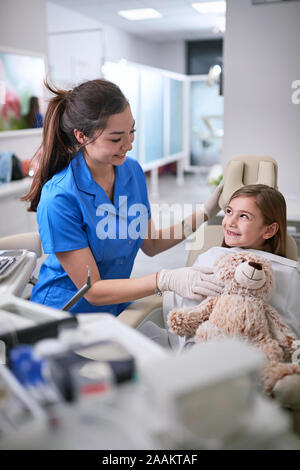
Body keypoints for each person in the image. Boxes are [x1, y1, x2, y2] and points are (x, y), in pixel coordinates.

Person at [23, 79, 224, 316]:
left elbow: (151, 244)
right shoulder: (59, 197)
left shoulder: (132, 172)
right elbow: (93, 290)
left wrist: (206, 213)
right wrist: (163, 280)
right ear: (81, 136)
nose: (128, 145)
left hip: (113, 309)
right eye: (116, 138)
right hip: (64, 315)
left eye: (132, 132)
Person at [171, 184, 300, 341]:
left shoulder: (290, 274)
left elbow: (290, 336)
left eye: (244, 216)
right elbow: (189, 319)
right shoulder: (209, 259)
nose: (230, 222)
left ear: (269, 230)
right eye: (229, 212)